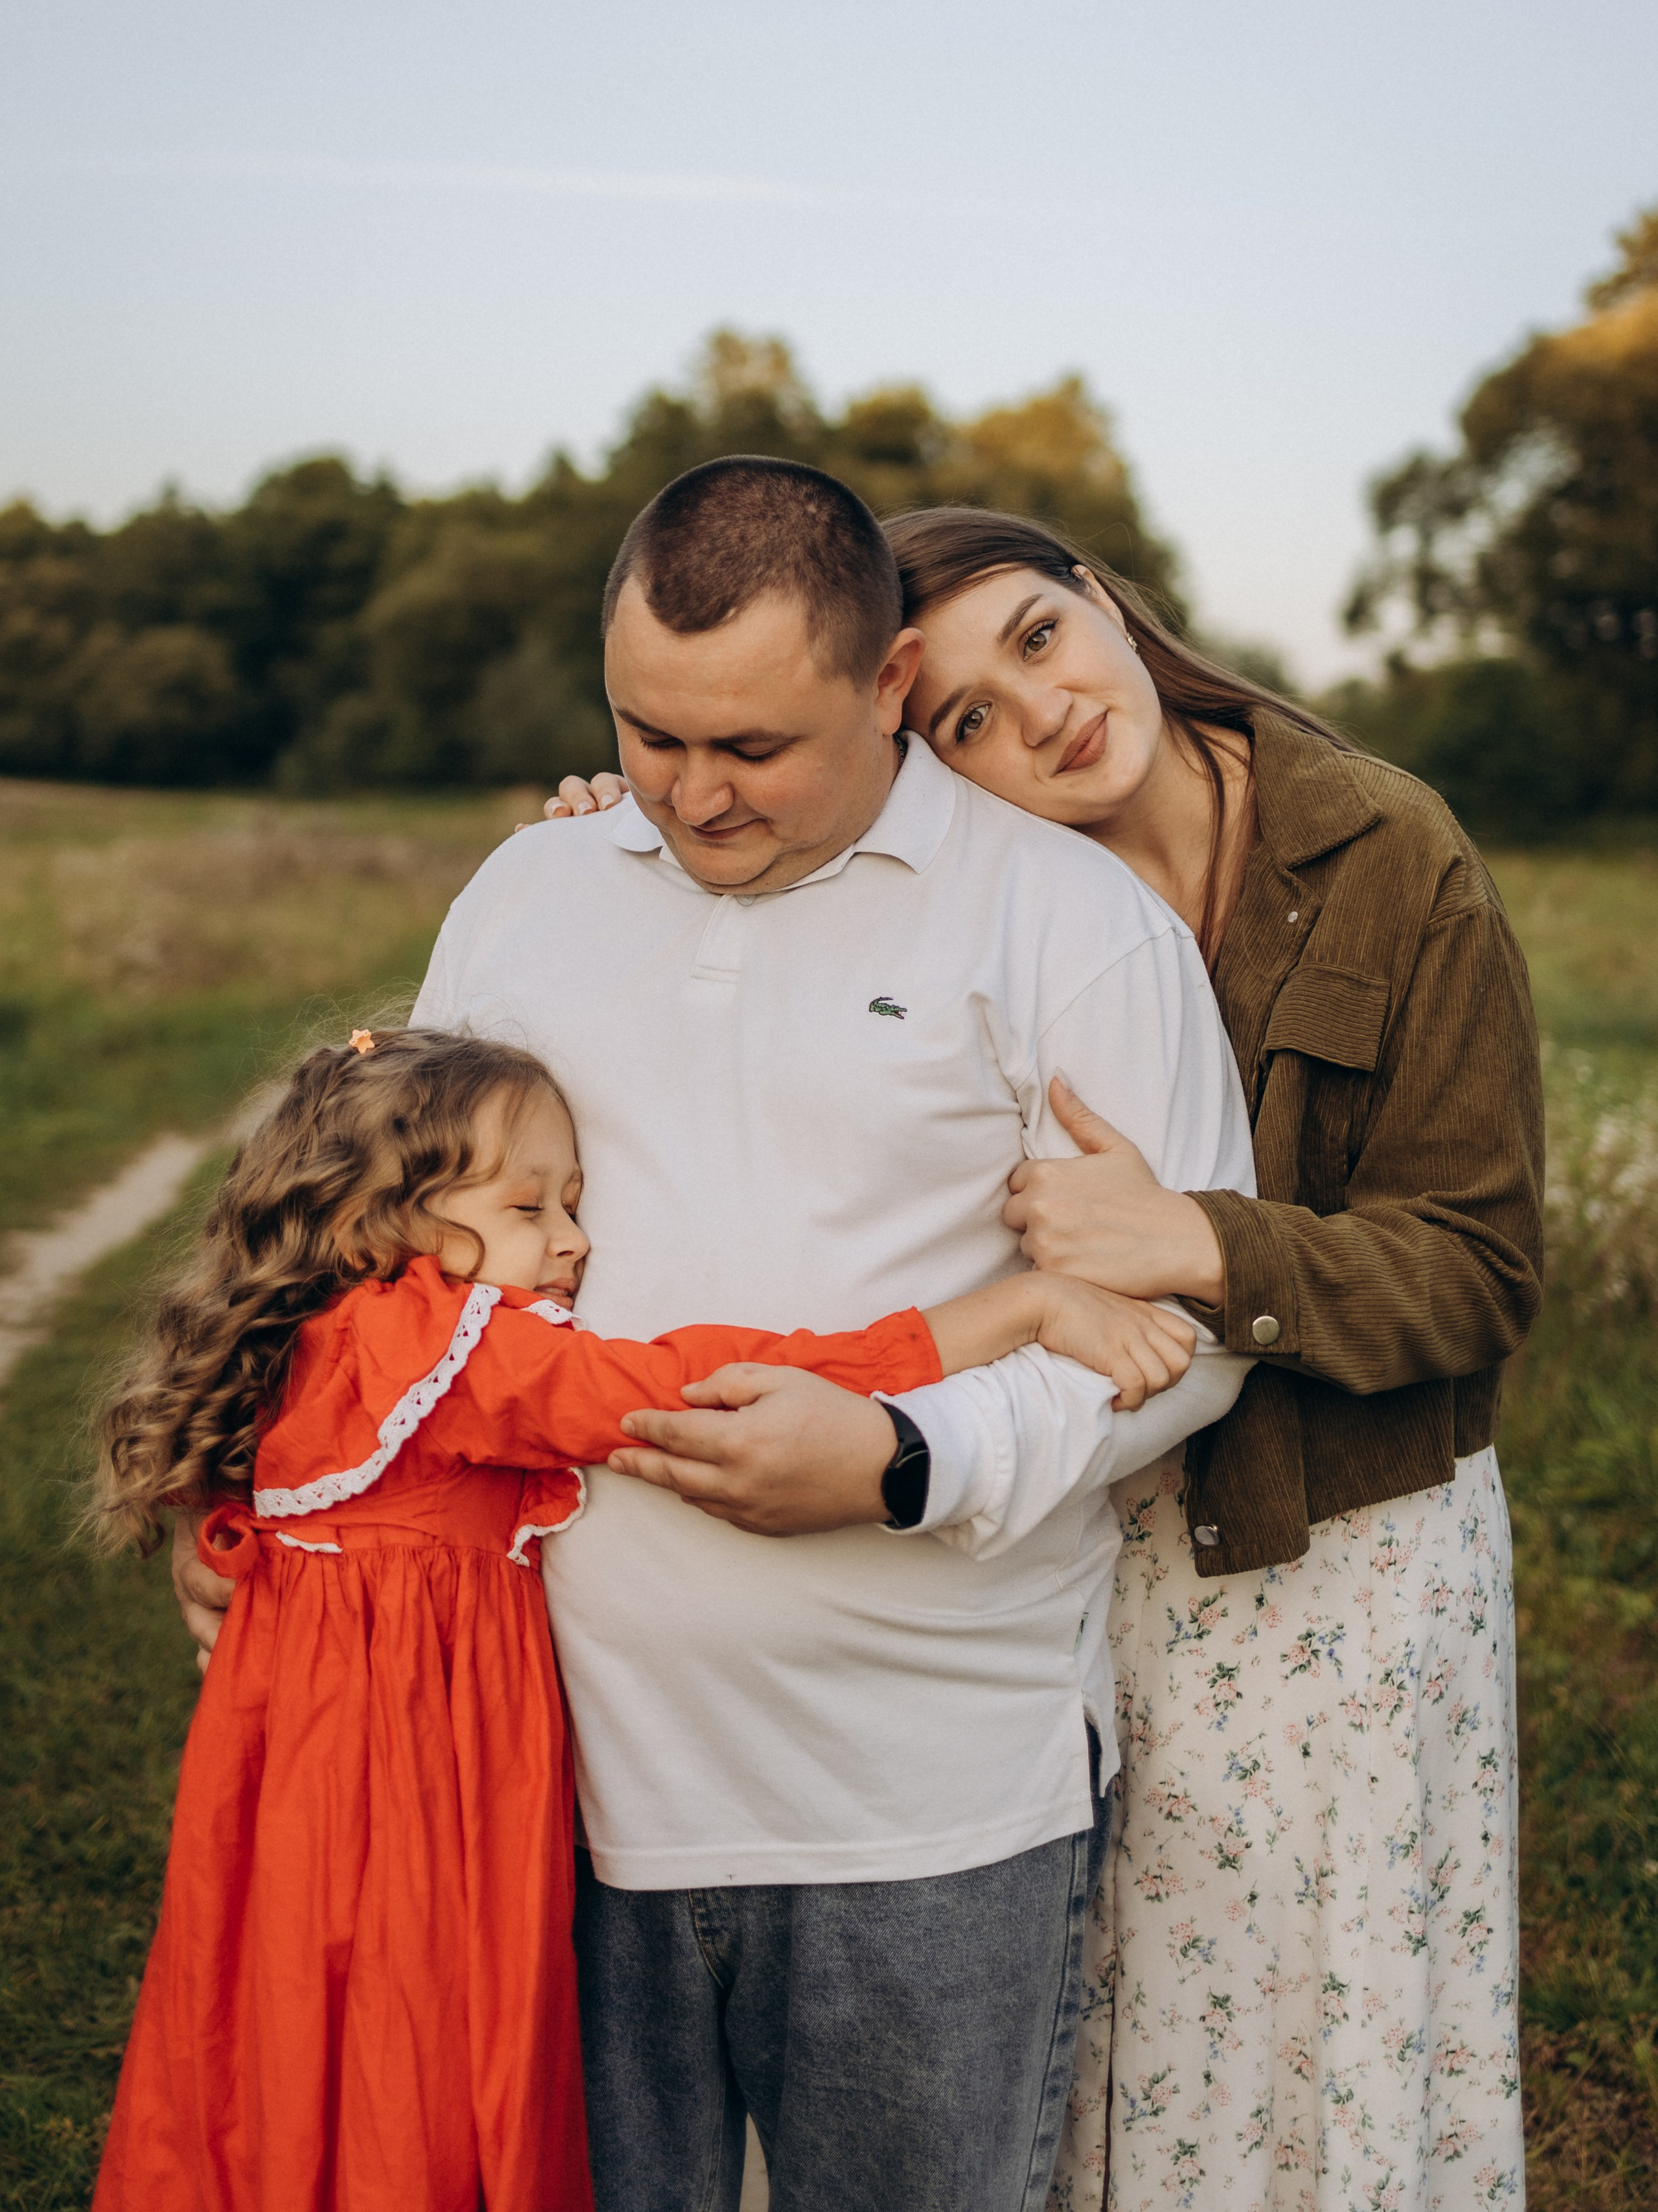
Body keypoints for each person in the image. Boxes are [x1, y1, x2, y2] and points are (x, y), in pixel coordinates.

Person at [174, 455, 1258, 2212]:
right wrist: (260, 1500)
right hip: (539, 1778)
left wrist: (912, 1461)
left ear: (892, 681)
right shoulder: (530, 889)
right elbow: (384, 1256)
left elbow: (1186, 1330)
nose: (692, 795)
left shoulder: (1068, 926)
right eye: (652, 734)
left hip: (922, 1806)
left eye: (754, 747)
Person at [550, 503, 1545, 2211]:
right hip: (1096, 1546)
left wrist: (1214, 1247)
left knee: (1307, 2053)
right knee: (1105, 2063)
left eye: (1038, 639)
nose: (1044, 714)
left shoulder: (1385, 851)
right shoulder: (995, 907)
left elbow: (1478, 1269)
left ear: (1100, 593)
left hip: (1325, 1556)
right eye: (967, 723)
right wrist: (620, 834)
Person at [100, 1021, 1181, 2212]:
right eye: (530, 1210)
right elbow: (689, 1381)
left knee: (303, 2026)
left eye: (574, 1201)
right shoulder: (450, 1350)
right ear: (381, 1226)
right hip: (401, 1783)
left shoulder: (341, 1328)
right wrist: (1015, 1310)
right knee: (412, 2041)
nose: (576, 1241)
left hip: (313, 1774)